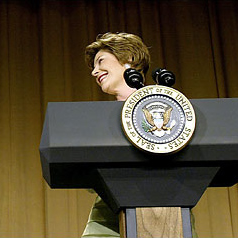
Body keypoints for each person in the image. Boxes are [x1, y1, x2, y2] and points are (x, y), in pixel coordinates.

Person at [82, 32, 197, 237]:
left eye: (100, 62)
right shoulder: (102, 121)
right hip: (109, 218)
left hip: (170, 215)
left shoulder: (171, 108)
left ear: (129, 59)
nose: (94, 72)